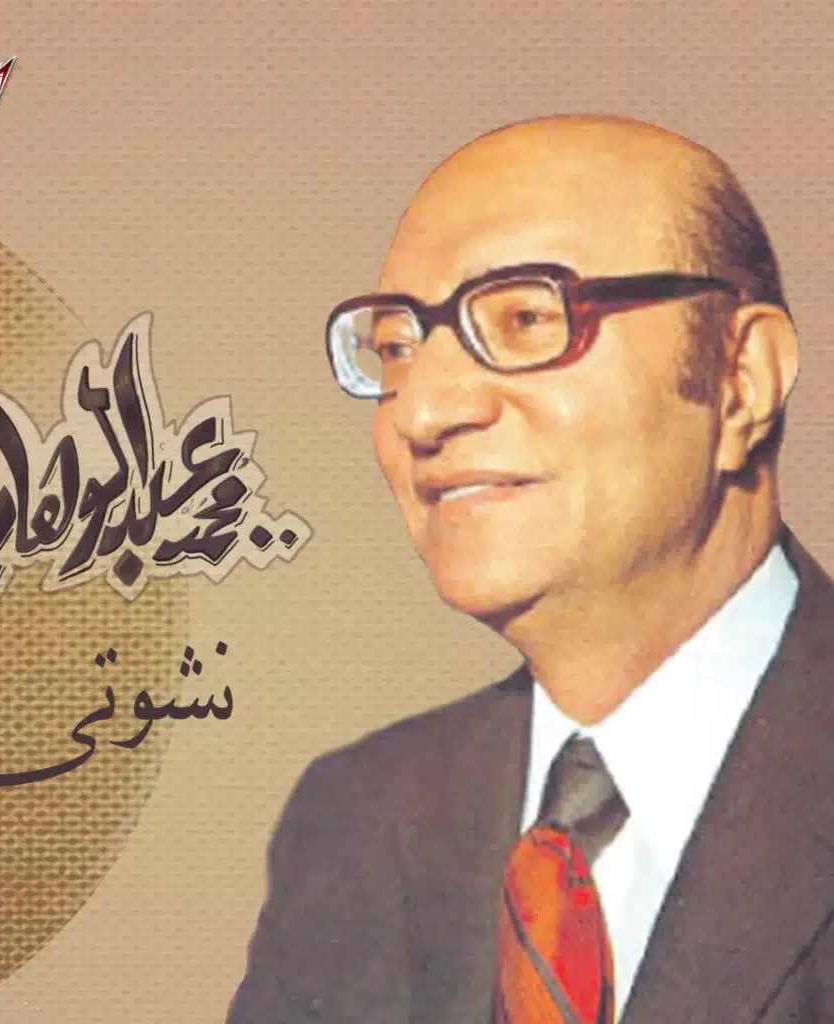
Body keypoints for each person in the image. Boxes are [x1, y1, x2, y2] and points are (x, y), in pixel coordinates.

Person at [227, 115, 833, 1023]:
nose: (423, 411)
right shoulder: (357, 819)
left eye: (525, 319)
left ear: (740, 378)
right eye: (397, 348)